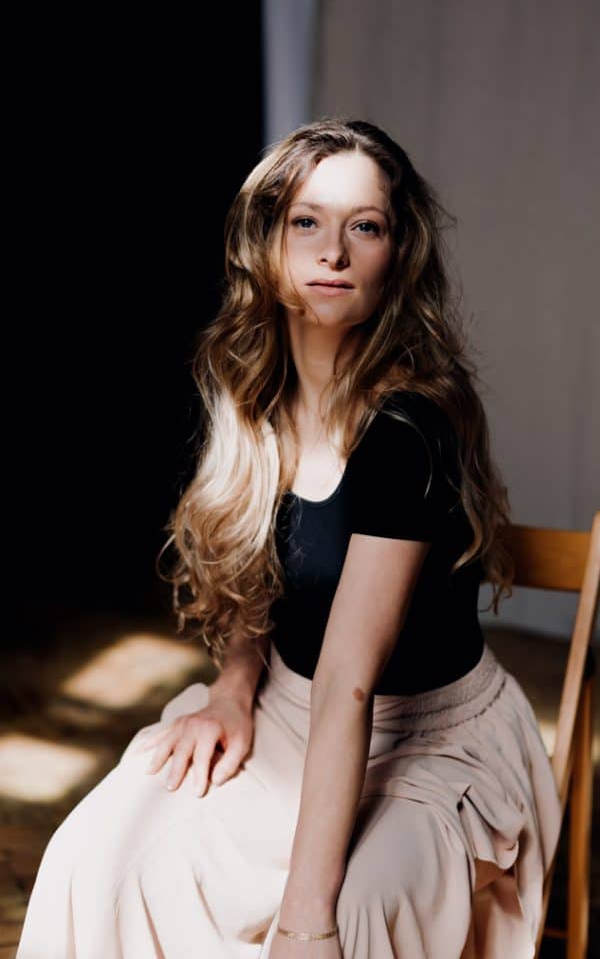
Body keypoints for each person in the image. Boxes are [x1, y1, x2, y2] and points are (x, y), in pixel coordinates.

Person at [17, 118, 562, 958]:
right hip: (283, 710)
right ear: (266, 243)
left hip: (423, 738)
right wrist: (234, 688)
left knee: (355, 916)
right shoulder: (254, 394)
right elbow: (258, 581)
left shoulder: (407, 428)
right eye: (306, 221)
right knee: (98, 862)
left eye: (365, 226)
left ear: (398, 254)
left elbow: (349, 679)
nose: (333, 252)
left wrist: (308, 925)